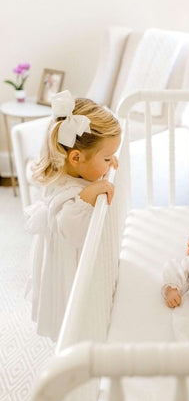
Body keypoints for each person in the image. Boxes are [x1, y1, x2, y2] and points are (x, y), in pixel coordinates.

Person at [25, 90, 121, 341]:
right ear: (76, 158)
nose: (111, 162)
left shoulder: (72, 170)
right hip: (67, 259)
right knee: (73, 306)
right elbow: (73, 230)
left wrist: (106, 163)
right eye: (107, 157)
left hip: (69, 248)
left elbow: (92, 169)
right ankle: (71, 343)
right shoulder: (68, 190)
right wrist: (90, 195)